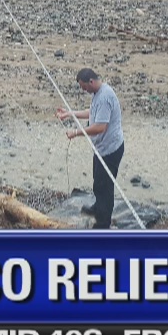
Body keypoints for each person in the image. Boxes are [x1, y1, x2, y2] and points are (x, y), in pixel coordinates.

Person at [56, 68, 125, 229]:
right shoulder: (98, 94)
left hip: (110, 150)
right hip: (101, 148)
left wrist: (76, 132)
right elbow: (92, 113)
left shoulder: (105, 97)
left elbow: (100, 126)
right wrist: (70, 114)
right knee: (98, 183)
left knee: (105, 187)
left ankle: (103, 222)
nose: (83, 90)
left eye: (84, 87)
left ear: (91, 82)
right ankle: (98, 208)